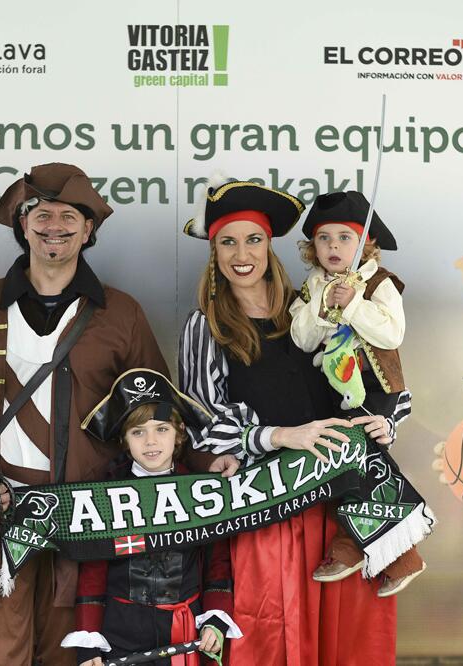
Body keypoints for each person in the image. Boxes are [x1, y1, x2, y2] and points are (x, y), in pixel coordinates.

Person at [0, 163, 237, 666]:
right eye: (41, 214)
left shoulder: (121, 314)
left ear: (88, 229)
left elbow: (156, 412)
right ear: (22, 225)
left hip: (87, 525)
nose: (55, 226)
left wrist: (201, 463)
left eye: (69, 216)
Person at [178, 178, 401, 665]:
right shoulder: (207, 324)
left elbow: (375, 370)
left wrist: (386, 420)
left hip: (339, 499)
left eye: (253, 239)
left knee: (346, 637)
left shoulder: (311, 307)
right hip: (271, 502)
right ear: (214, 251)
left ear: (271, 246)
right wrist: (278, 435)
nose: (243, 253)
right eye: (228, 242)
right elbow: (199, 420)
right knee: (274, 635)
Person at [289, 191, 425, 596]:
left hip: (373, 389)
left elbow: (391, 333)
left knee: (360, 467)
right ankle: (364, 550)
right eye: (324, 238)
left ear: (365, 243)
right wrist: (321, 306)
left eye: (344, 238)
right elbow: (300, 338)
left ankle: (381, 553)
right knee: (342, 468)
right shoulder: (312, 285)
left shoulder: (381, 283)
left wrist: (352, 306)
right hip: (331, 394)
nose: (333, 246)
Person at [62, 368, 242, 666]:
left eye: (161, 429)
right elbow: (93, 571)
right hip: (120, 635)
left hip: (183, 635)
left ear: (179, 433)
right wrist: (89, 642)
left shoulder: (201, 492)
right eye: (138, 432)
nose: (150, 442)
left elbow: (217, 562)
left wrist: (215, 619)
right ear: (124, 438)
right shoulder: (106, 494)